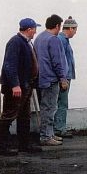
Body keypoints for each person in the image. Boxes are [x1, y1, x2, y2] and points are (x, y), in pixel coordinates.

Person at [0, 18, 43, 155]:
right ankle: (0, 147)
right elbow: (10, 65)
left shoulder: (26, 42)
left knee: (24, 116)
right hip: (16, 88)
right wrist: (15, 85)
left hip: (25, 86)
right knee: (9, 115)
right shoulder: (15, 42)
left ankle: (24, 145)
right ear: (29, 30)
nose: (35, 31)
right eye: (34, 29)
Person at [34, 14, 68, 146]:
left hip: (40, 78)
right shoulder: (53, 39)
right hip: (51, 79)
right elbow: (57, 61)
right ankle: (46, 136)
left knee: (46, 107)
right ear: (57, 26)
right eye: (60, 26)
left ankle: (49, 134)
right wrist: (63, 78)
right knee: (49, 108)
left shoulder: (39, 38)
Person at [54, 17, 77, 138]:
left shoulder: (64, 40)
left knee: (61, 102)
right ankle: (59, 129)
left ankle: (58, 127)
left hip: (65, 76)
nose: (76, 32)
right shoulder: (61, 40)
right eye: (75, 30)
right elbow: (59, 60)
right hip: (63, 77)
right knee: (62, 103)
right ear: (71, 28)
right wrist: (63, 78)